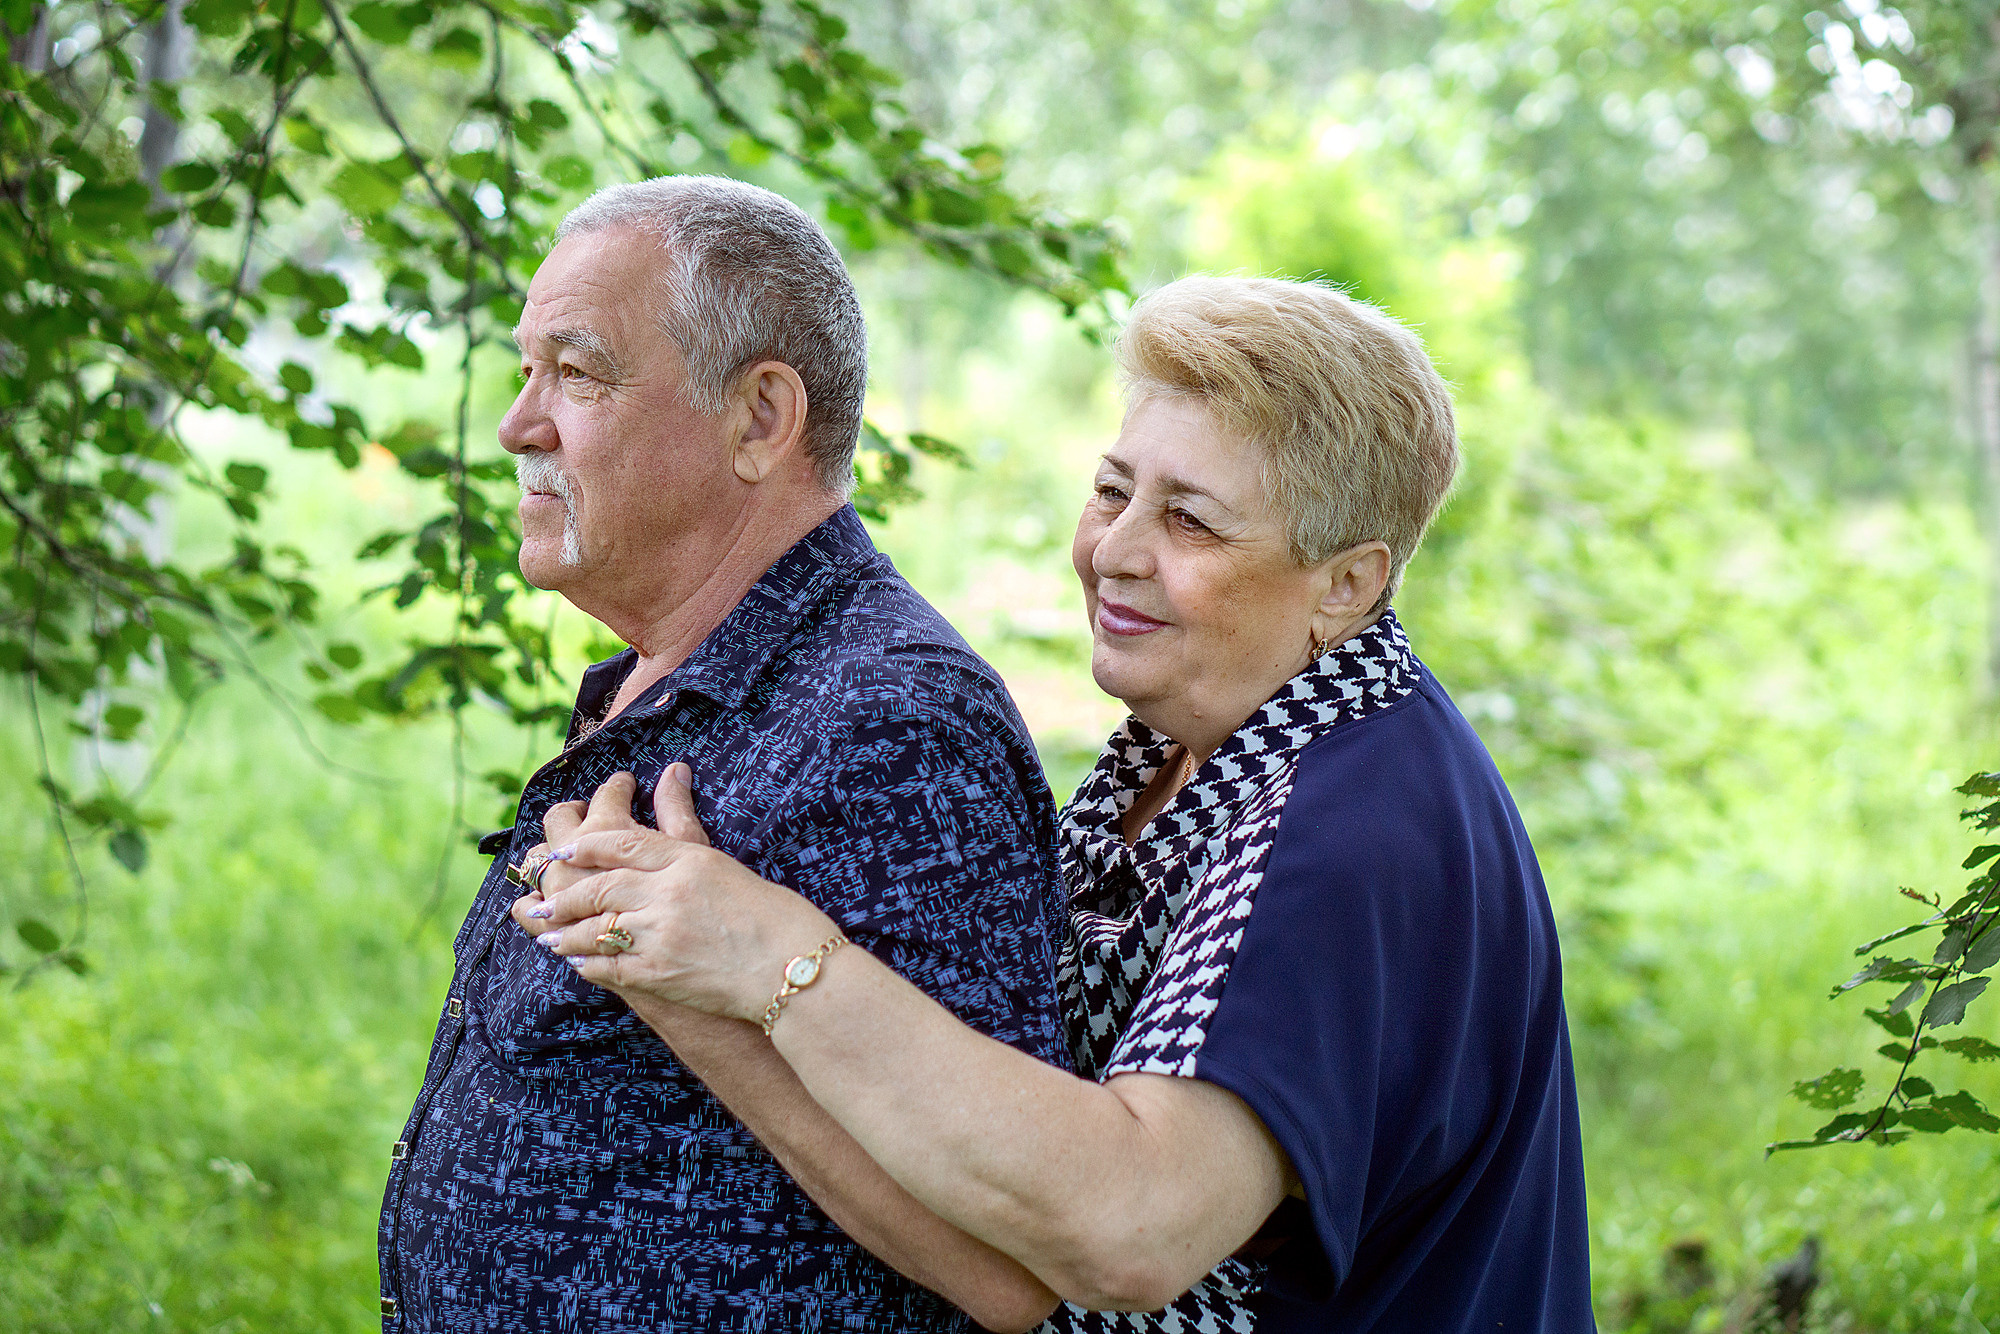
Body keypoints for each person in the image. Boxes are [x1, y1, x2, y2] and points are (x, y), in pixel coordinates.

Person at [518, 276, 1598, 1331]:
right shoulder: (1188, 747)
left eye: (1192, 523)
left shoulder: (1351, 824)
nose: (1115, 552)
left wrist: (767, 952)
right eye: (1112, 489)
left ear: (1347, 583)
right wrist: (678, 972)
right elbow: (1001, 1245)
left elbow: (1127, 1227)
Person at [377, 175, 1074, 1333]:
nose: (517, 424)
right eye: (523, 370)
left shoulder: (892, 724)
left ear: (759, 418)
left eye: (578, 372)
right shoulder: (672, 673)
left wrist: (693, 997)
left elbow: (1003, 1261)